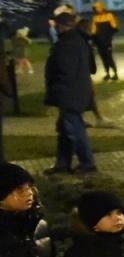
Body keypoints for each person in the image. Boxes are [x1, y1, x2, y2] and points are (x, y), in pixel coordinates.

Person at [44, 11, 99, 175]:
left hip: (69, 94)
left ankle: (87, 163)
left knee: (74, 129)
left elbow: (64, 72)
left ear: (60, 26)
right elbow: (92, 67)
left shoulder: (65, 44)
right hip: (78, 92)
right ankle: (62, 164)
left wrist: (57, 92)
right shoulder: (80, 40)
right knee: (64, 130)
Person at [89, 1, 119, 80]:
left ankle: (115, 73)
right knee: (103, 58)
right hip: (99, 42)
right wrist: (93, 41)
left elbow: (114, 27)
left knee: (109, 57)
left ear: (100, 7)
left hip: (107, 41)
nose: (95, 10)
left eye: (96, 8)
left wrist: (109, 37)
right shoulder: (95, 18)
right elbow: (93, 31)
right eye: (94, 9)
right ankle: (107, 73)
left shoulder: (109, 16)